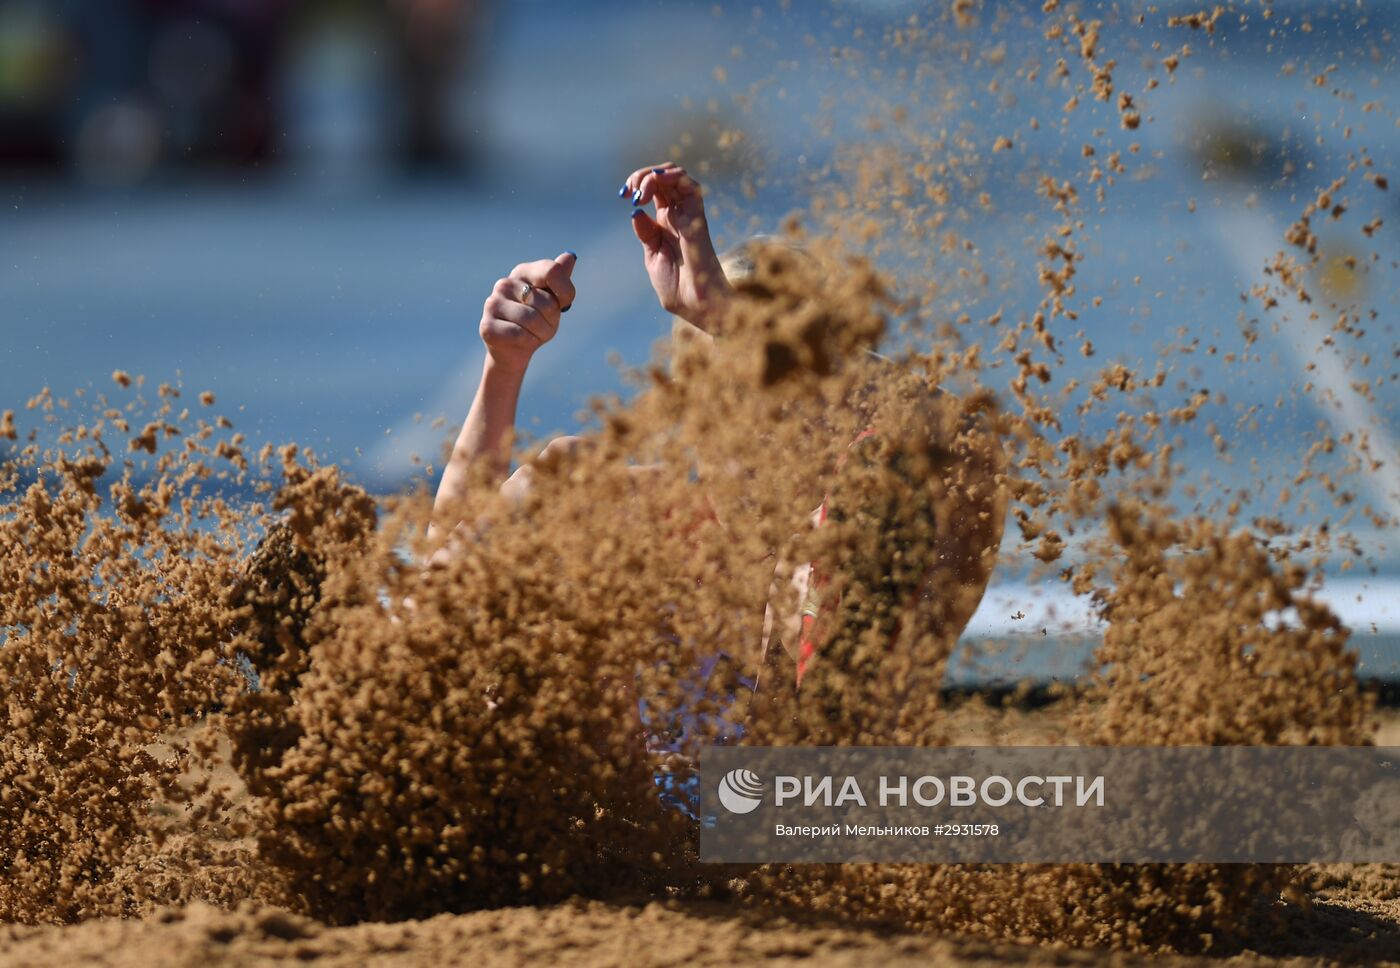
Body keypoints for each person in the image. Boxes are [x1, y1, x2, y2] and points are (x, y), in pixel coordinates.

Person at [430, 162, 1007, 709]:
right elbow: (441, 590)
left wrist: (739, 329)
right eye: (727, 391)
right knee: (562, 482)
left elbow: (967, 443)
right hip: (620, 804)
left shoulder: (884, 525)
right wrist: (503, 369)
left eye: (780, 390)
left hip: (807, 791)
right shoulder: (652, 522)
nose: (755, 428)